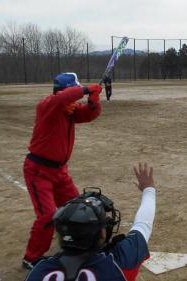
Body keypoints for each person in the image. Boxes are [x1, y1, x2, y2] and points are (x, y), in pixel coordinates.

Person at [22, 72, 103, 269]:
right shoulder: (48, 106)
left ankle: (74, 246)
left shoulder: (69, 111)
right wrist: (85, 89)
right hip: (38, 170)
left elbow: (90, 114)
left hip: (60, 172)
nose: (77, 100)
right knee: (48, 215)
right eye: (75, 89)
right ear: (64, 90)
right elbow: (64, 98)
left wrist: (93, 100)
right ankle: (31, 257)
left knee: (78, 209)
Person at [25, 162, 156, 281]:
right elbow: (143, 224)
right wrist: (149, 189)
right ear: (102, 235)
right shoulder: (117, 263)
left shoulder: (39, 271)